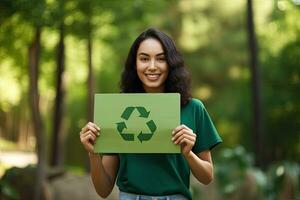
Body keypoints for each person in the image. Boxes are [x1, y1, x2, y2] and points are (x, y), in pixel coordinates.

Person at [79, 28, 222, 200]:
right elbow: (103, 190)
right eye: (144, 58)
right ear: (135, 64)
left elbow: (207, 177)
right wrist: (94, 153)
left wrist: (188, 153)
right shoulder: (117, 108)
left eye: (161, 59)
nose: (152, 66)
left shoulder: (192, 108)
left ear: (171, 63)